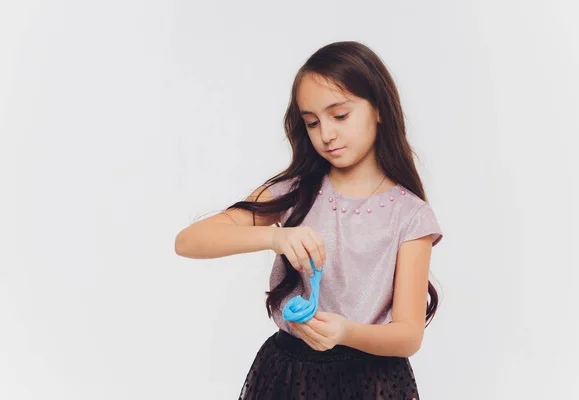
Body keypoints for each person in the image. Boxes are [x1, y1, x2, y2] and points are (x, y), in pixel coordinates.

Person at [174, 40, 444, 400]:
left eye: (340, 115)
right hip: (289, 375)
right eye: (312, 122)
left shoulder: (409, 215)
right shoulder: (296, 191)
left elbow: (408, 335)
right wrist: (275, 238)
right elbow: (188, 242)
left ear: (379, 108)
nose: (326, 134)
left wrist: (345, 332)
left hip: (373, 382)